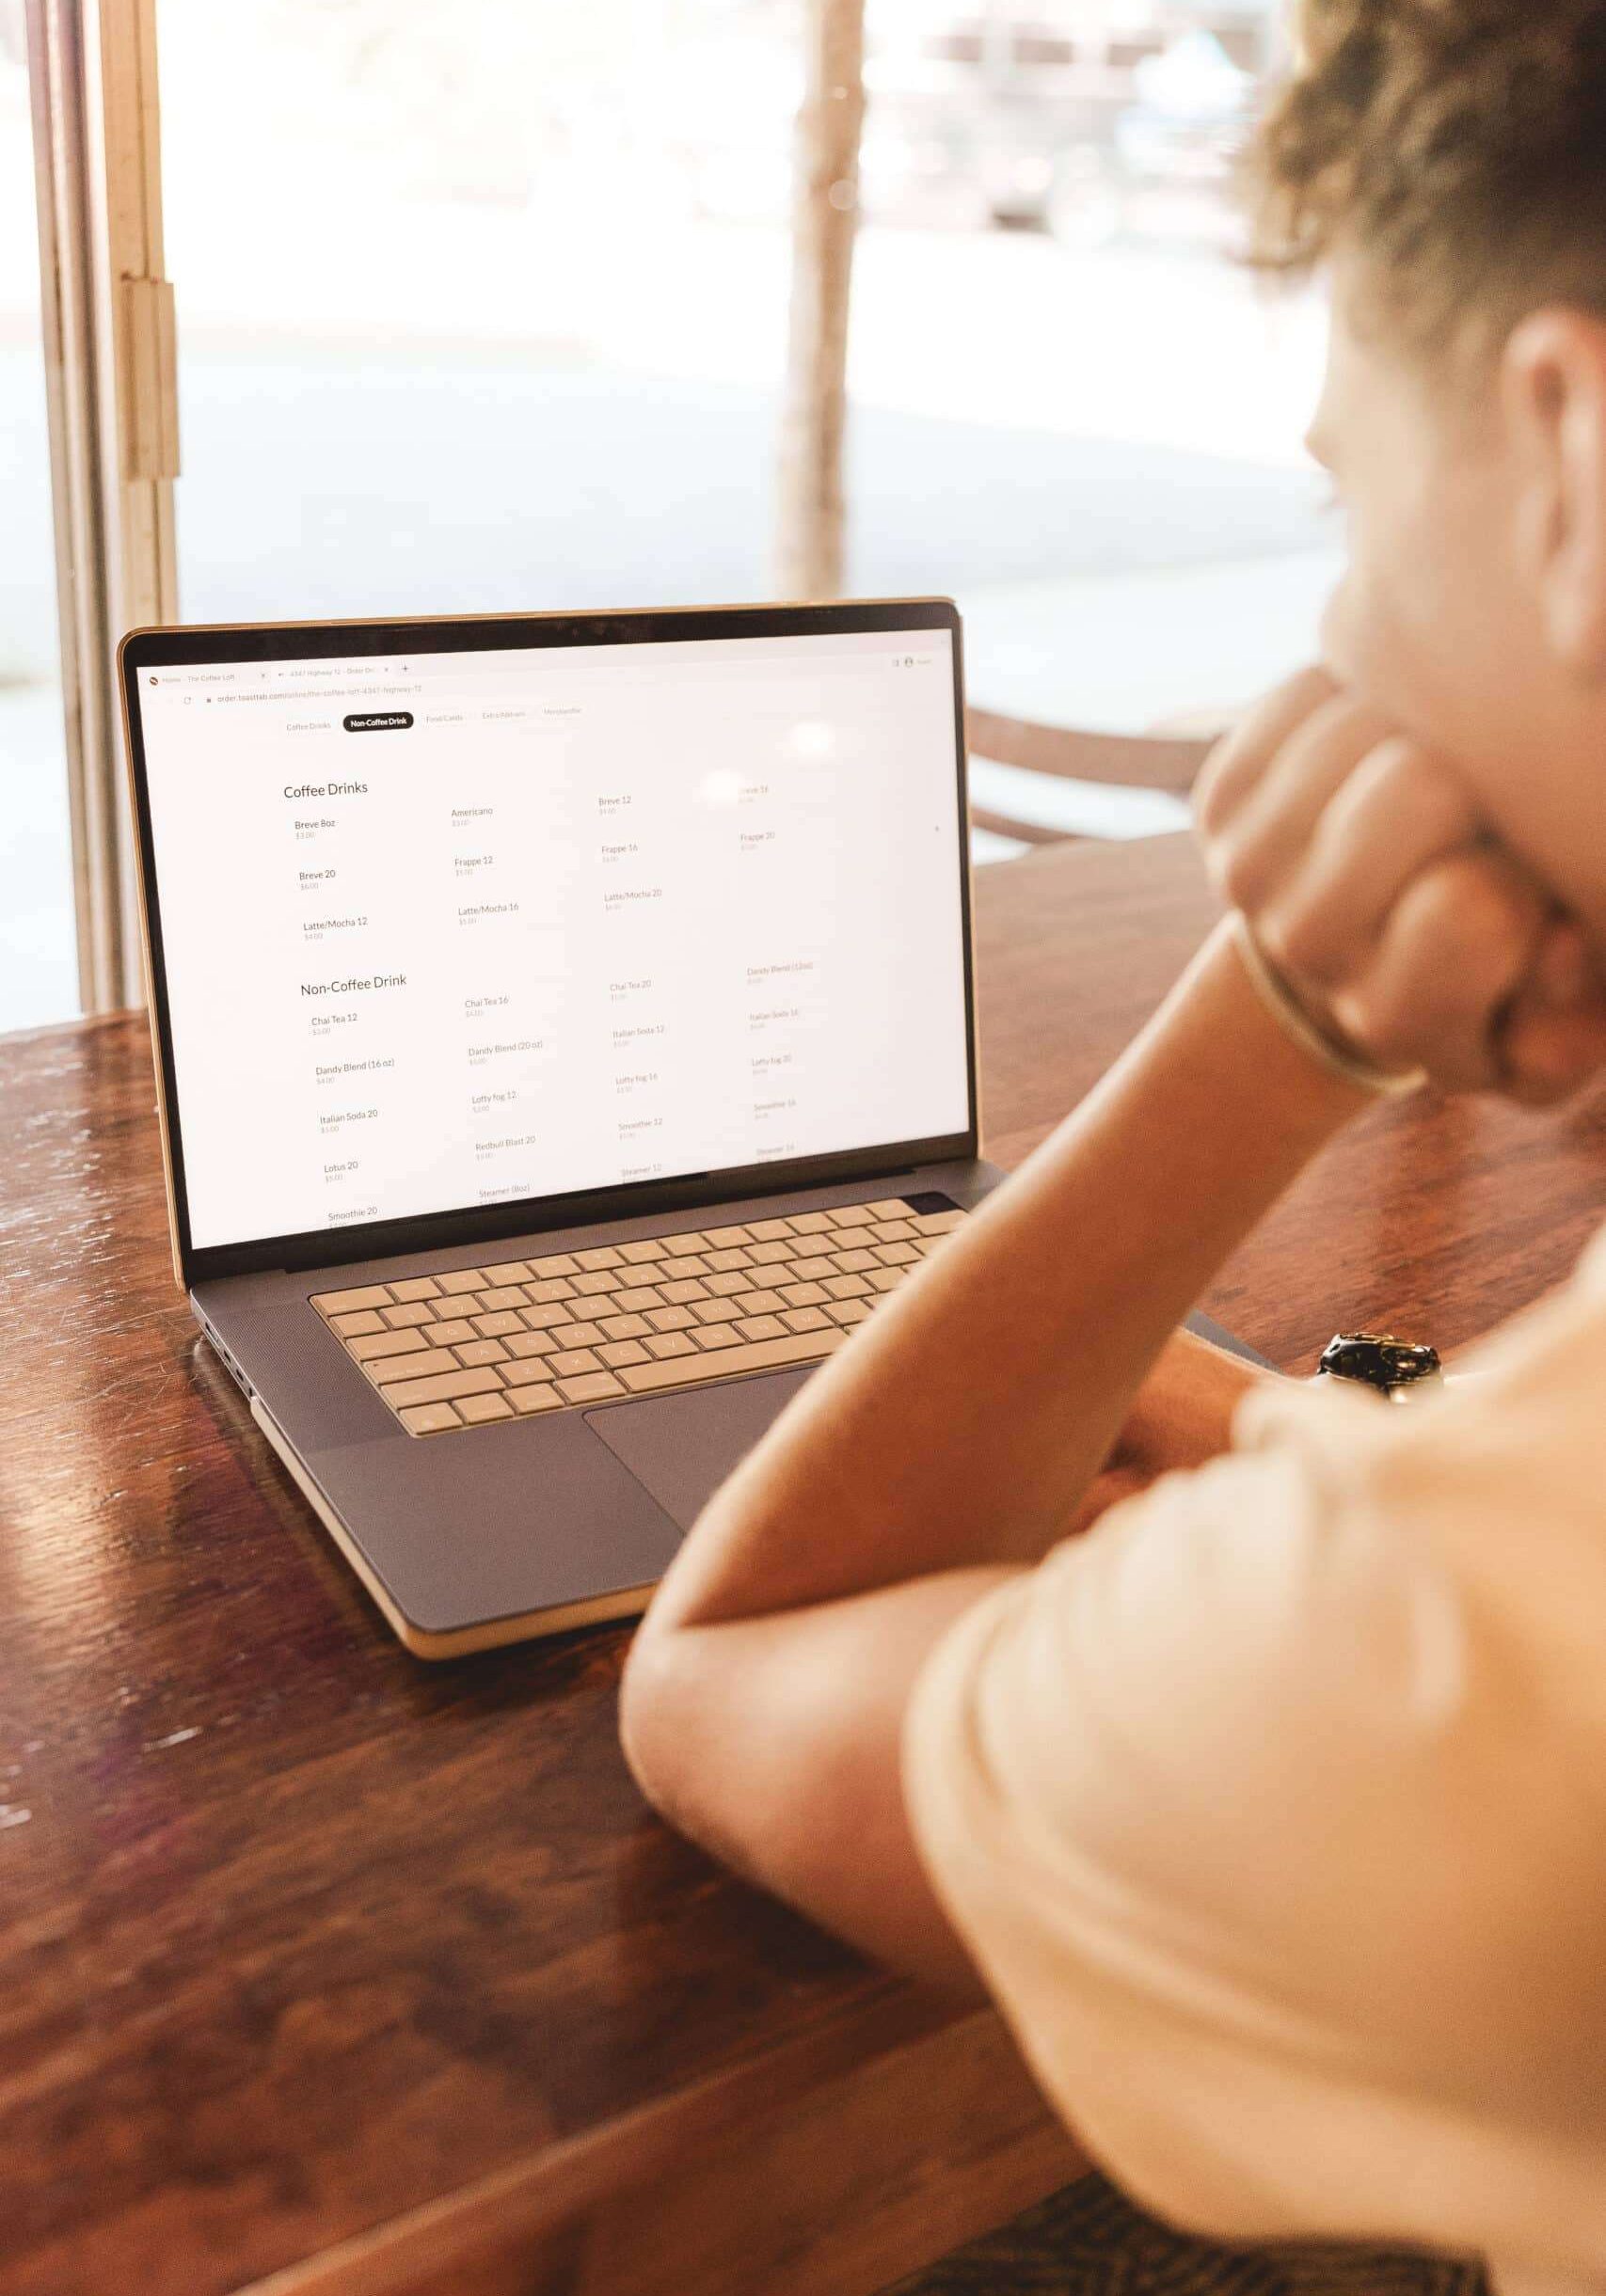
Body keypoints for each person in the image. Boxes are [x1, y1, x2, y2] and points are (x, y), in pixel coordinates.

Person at [619, 5, 1606, 2288]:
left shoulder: (1461, 1661)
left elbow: (729, 1675)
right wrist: (1264, 1424)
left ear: (1568, 463)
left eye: (1345, 507)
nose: (1334, 636)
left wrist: (1278, 1010)